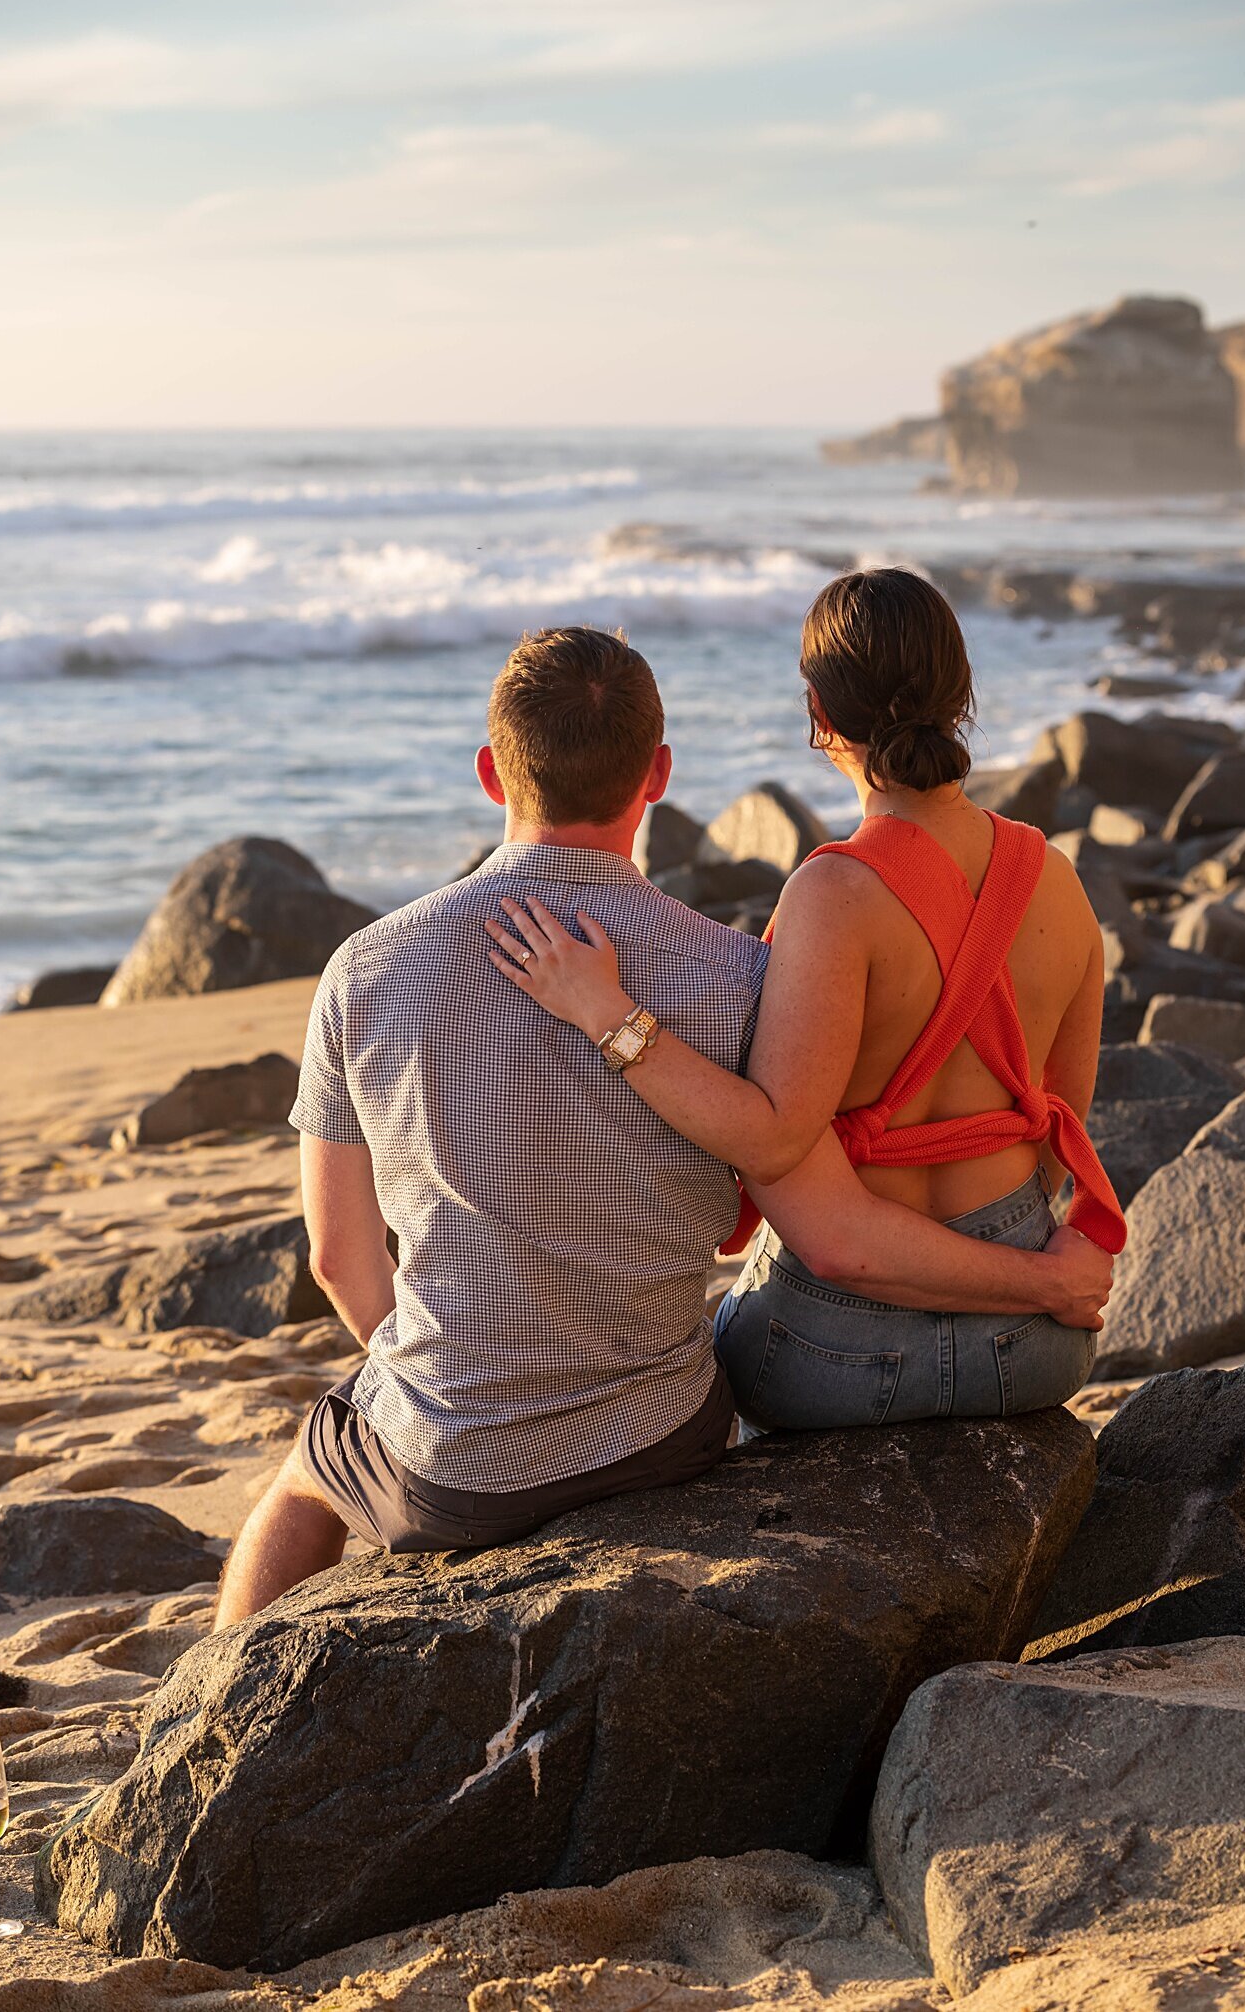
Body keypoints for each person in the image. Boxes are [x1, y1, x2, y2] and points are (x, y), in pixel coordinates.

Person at [215, 622, 1112, 1626]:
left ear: (487, 773)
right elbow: (832, 1213)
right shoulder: (740, 981)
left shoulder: (364, 971)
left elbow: (340, 1259)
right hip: (660, 1442)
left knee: (304, 1480)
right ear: (658, 775)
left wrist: (459, 1391)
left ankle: (205, 1712)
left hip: (449, 1464)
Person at [488, 576, 1125, 1434]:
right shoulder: (1054, 880)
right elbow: (1061, 1118)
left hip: (837, 1354)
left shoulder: (833, 895)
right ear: (960, 694)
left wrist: (605, 1012)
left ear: (819, 711)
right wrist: (1024, 1270)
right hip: (1036, 1348)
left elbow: (775, 1144)